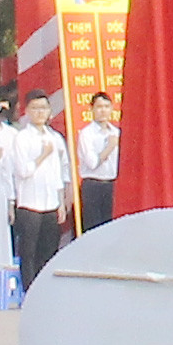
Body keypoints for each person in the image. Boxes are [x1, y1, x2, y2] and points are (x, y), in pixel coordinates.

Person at [74, 90, 120, 237]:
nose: (103, 111)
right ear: (92, 109)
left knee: (111, 228)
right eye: (99, 107)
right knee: (94, 230)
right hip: (93, 185)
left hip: (112, 184)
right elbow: (92, 163)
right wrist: (110, 147)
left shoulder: (116, 132)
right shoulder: (87, 134)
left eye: (106, 107)